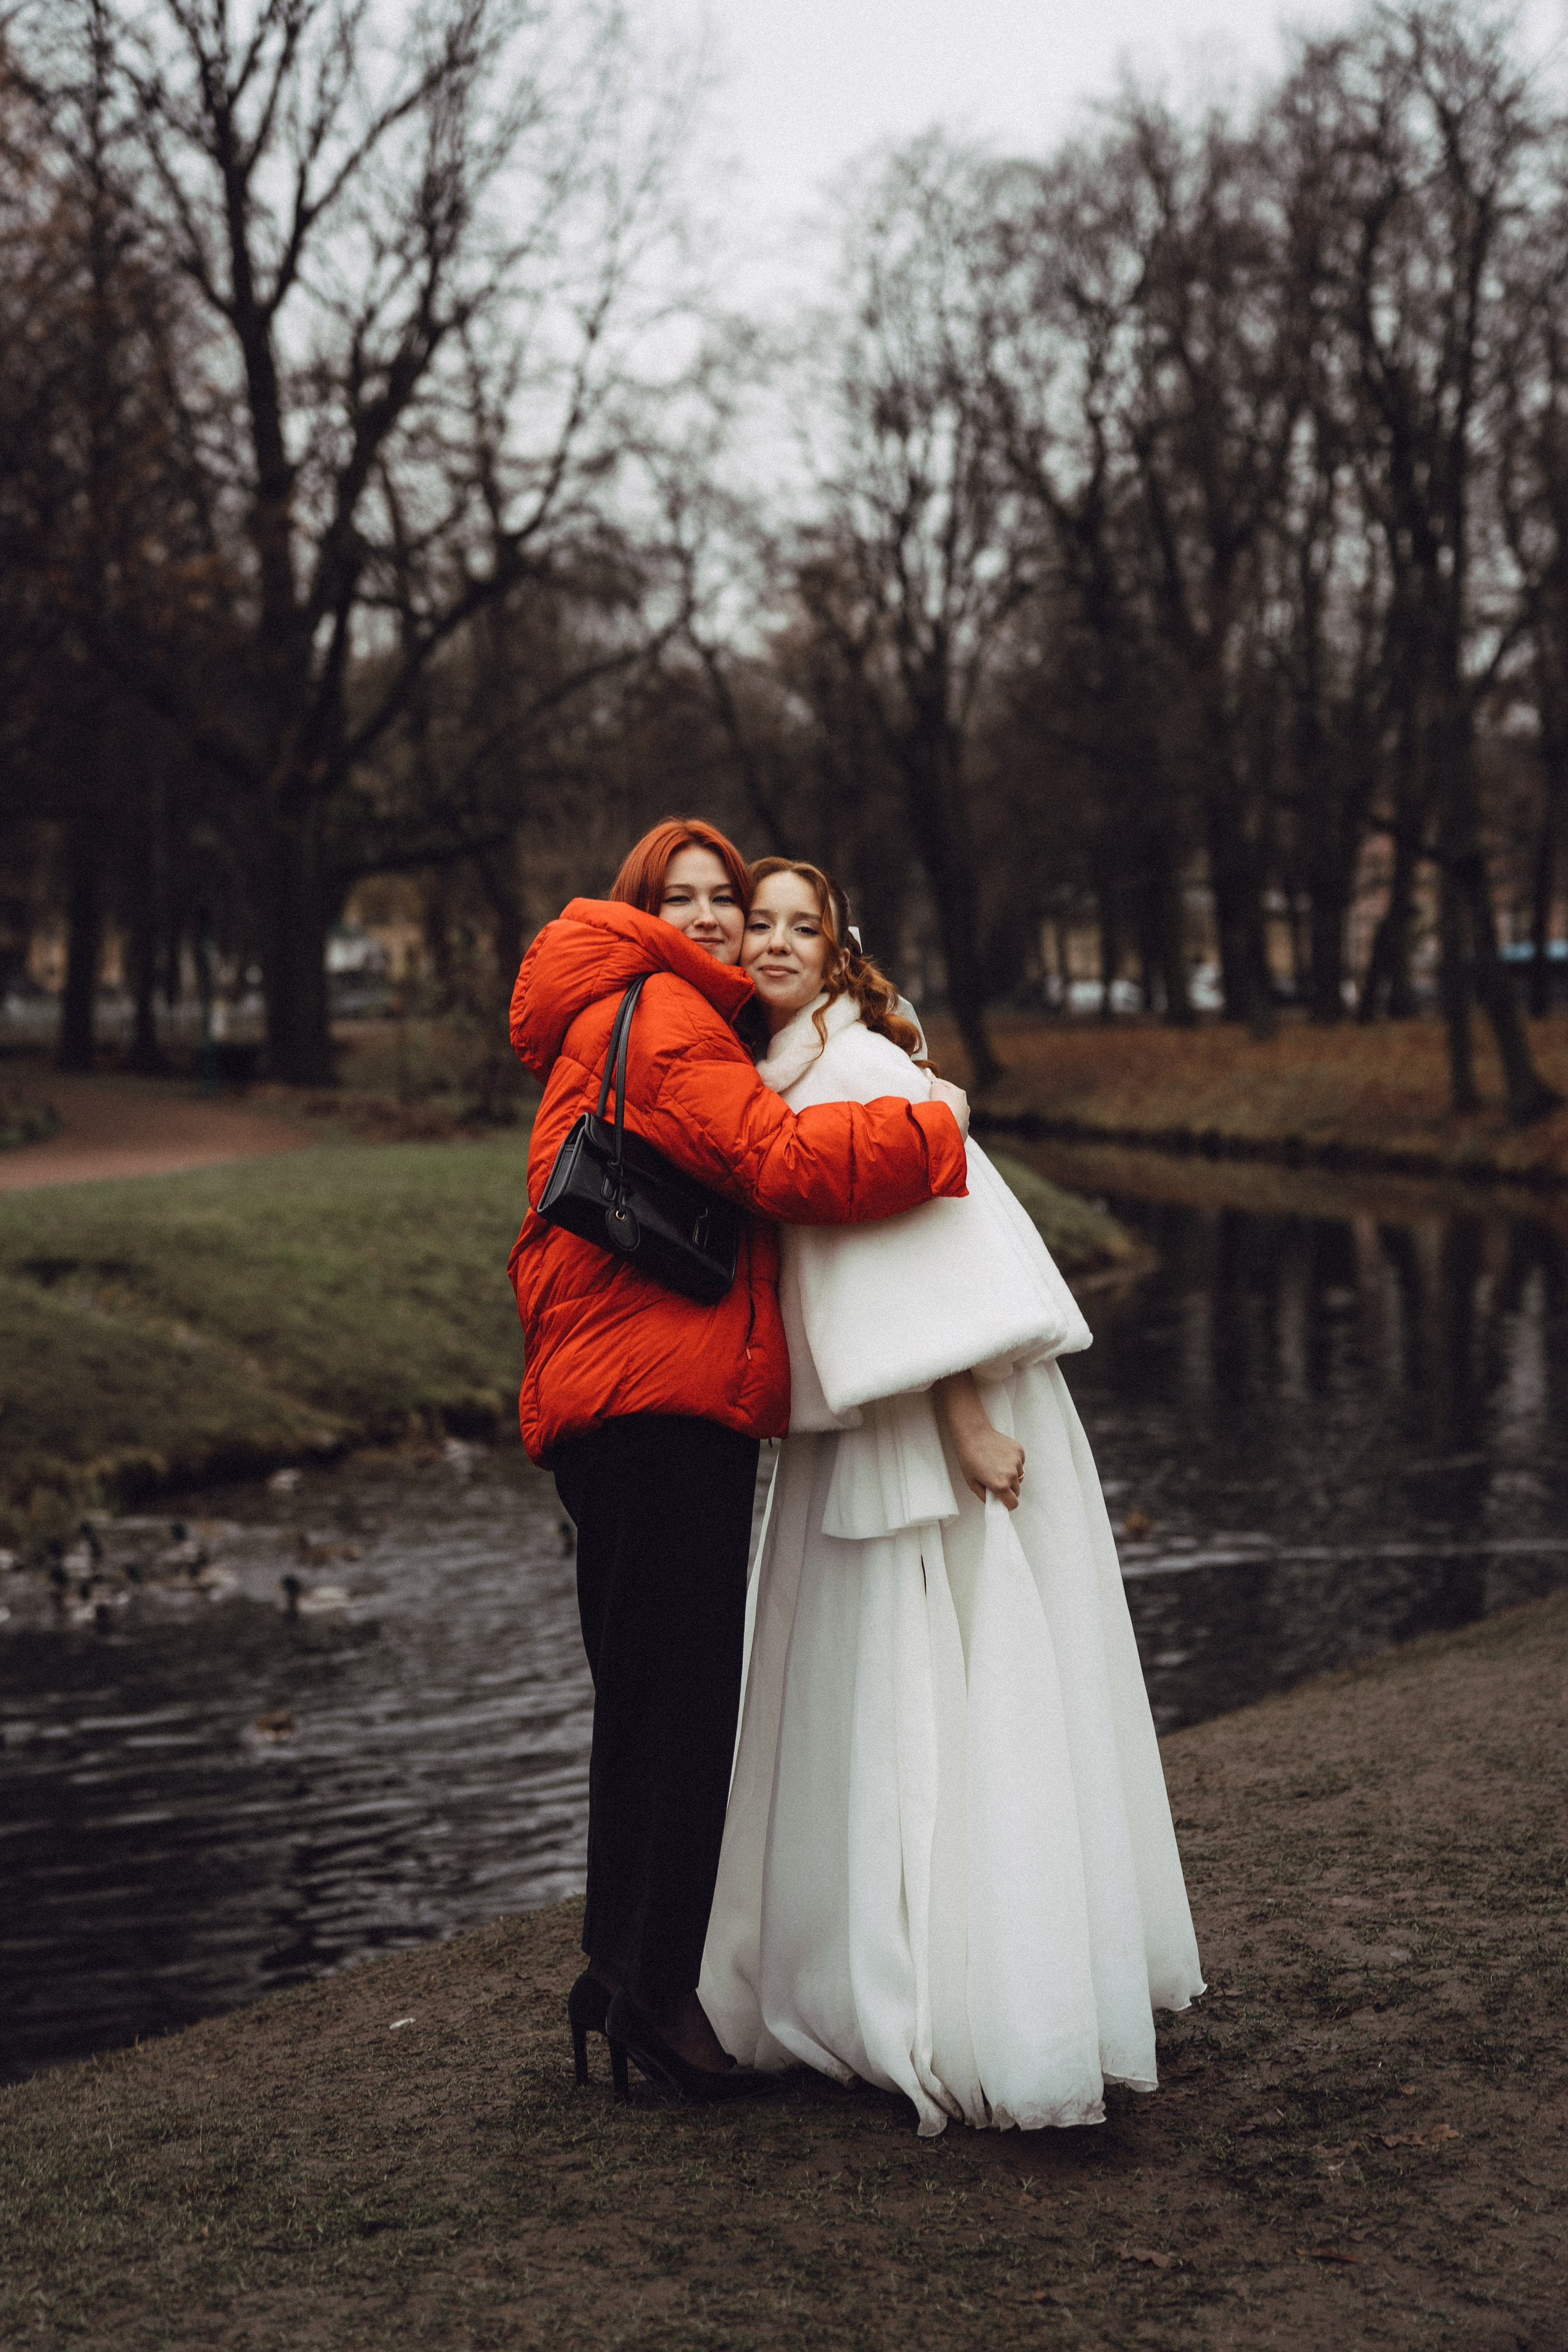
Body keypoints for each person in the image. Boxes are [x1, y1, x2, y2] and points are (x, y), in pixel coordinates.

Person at [699, 858, 1205, 2134]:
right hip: (865, 1416)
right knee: (859, 1697)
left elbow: (938, 1251)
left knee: (949, 1680)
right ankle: (870, 1972)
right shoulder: (778, 1075)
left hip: (934, 1414)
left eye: (801, 927)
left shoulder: (861, 1067)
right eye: (758, 924)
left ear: (836, 951)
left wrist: (969, 1419)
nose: (774, 943)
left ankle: (973, 1991)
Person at [505, 819, 974, 2103]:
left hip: (626, 1398)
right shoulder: (665, 1015)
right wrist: (933, 1129)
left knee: (644, 1701)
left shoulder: (623, 1004)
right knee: (681, 1709)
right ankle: (659, 2000)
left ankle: (619, 1971)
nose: (714, 918)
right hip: (660, 1405)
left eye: (727, 896)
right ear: (642, 909)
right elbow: (777, 1163)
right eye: (686, 898)